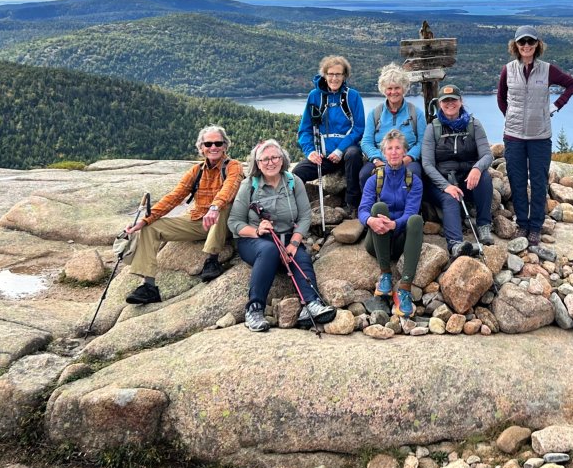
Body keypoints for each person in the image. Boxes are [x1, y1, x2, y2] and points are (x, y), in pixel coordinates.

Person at [124, 125, 244, 305]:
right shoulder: (196, 171)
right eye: (208, 144)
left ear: (225, 146)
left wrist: (215, 207)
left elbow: (230, 188)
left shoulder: (233, 166)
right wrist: (145, 219)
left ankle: (212, 260)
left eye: (218, 143)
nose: (213, 147)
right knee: (151, 227)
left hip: (225, 222)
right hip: (200, 220)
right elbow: (174, 197)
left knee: (224, 206)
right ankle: (149, 286)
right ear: (201, 148)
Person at [229, 139, 335, 332]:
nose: (270, 163)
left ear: (282, 159)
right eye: (264, 159)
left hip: (286, 238)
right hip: (254, 240)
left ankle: (311, 304)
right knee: (269, 250)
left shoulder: (294, 182)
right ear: (257, 163)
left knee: (301, 257)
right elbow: (234, 222)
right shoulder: (249, 185)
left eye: (275, 157)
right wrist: (257, 231)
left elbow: (304, 216)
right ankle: (254, 309)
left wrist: (294, 244)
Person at [496, 25, 573, 247]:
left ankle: (535, 227)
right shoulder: (508, 70)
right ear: (515, 46)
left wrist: (555, 106)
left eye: (530, 42)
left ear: (537, 45)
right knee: (517, 181)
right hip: (513, 137)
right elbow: (501, 98)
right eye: (522, 42)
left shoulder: (547, 70)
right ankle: (522, 224)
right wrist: (511, 116)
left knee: (539, 182)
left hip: (540, 136)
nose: (526, 46)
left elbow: (572, 84)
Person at [422, 84, 495, 258]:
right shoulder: (433, 128)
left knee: (484, 178)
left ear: (460, 102)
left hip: (468, 179)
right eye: (445, 101)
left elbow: (487, 154)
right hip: (442, 182)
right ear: (440, 104)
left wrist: (477, 168)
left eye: (453, 100)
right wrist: (445, 185)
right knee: (450, 197)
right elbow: (427, 164)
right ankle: (455, 244)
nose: (449, 104)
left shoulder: (474, 125)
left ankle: (484, 226)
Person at [358, 129, 423, 319]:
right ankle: (385, 274)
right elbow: (362, 210)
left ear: (404, 152)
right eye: (390, 149)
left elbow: (411, 212)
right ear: (384, 153)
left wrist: (394, 225)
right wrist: (371, 220)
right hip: (376, 241)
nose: (394, 152)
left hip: (401, 239)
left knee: (416, 219)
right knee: (379, 207)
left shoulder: (414, 182)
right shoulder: (374, 180)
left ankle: (404, 288)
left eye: (398, 148)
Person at [294, 55, 366, 214]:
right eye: (331, 74)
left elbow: (359, 128)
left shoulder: (352, 96)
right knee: (298, 173)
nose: (334, 78)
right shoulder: (315, 96)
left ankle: (352, 204)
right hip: (323, 155)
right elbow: (305, 129)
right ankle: (300, 210)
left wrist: (340, 150)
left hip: (345, 152)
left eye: (338, 74)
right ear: (324, 76)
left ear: (344, 76)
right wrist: (310, 151)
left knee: (354, 154)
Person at [359, 62, 425, 191]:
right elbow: (366, 142)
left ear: (404, 88)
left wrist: (408, 158)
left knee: (414, 175)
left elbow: (422, 142)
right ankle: (369, 208)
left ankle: (413, 209)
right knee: (365, 175)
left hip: (407, 160)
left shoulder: (416, 113)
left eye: (397, 88)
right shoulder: (375, 113)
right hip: (380, 159)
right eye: (389, 88)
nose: (393, 92)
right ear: (384, 90)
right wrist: (378, 159)